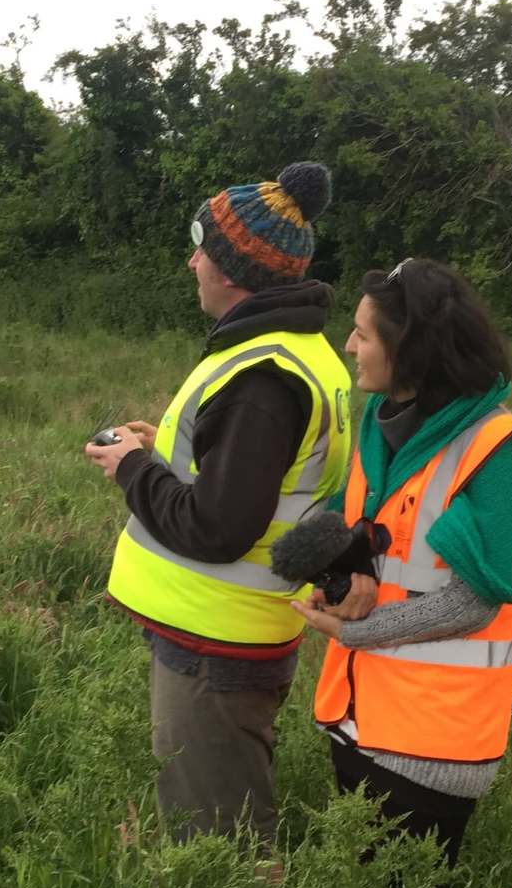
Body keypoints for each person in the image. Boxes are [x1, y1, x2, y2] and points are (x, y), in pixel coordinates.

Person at [86, 162, 352, 851]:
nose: (191, 261)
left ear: (233, 270)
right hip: (233, 634)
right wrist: (163, 455)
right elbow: (250, 483)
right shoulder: (296, 353)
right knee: (218, 815)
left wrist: (132, 468)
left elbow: (218, 526)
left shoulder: (261, 376)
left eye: (201, 247)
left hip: (218, 641)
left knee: (220, 841)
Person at [291, 259, 512, 873]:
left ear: (411, 350)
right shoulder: (382, 429)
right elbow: (376, 538)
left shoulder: (496, 449)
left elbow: (475, 600)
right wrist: (341, 571)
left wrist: (354, 630)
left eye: (364, 334)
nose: (348, 344)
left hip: (435, 744)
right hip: (357, 715)